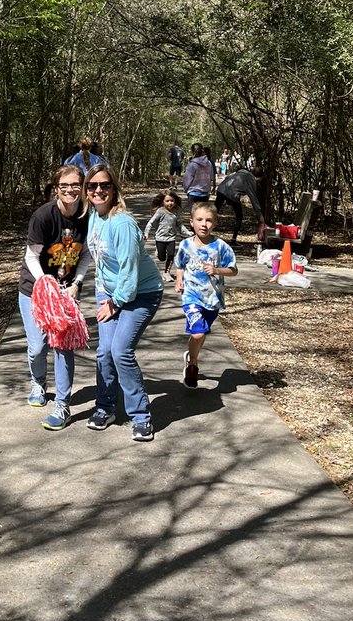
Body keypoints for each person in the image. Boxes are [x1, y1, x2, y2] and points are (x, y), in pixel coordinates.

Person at [84, 163, 163, 442]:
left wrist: (114, 303)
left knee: (120, 351)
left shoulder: (122, 223)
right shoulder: (94, 216)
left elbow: (130, 274)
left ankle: (140, 416)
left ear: (114, 189)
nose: (98, 190)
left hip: (141, 293)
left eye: (104, 185)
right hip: (110, 293)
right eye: (92, 186)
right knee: (104, 352)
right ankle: (106, 407)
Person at [18, 165, 91, 431]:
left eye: (76, 185)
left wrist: (77, 284)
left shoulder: (87, 215)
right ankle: (38, 382)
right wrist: (46, 283)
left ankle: (63, 405)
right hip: (35, 289)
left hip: (67, 290)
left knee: (63, 347)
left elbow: (85, 255)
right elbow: (31, 256)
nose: (71, 190)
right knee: (38, 347)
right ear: (56, 189)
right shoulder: (43, 216)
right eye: (65, 186)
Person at [175, 201, 238, 389]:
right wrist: (179, 280)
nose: (204, 224)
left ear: (215, 223)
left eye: (209, 220)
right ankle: (193, 365)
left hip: (212, 299)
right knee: (198, 333)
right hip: (192, 296)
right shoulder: (185, 245)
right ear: (191, 222)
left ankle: (191, 358)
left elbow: (233, 270)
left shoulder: (221, 247)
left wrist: (217, 270)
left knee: (200, 335)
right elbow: (180, 265)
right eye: (199, 220)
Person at [144, 190, 191, 281]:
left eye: (172, 201)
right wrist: (146, 233)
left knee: (170, 255)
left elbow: (179, 225)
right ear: (163, 202)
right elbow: (151, 223)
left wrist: (187, 232)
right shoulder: (160, 211)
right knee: (162, 258)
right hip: (160, 238)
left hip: (171, 238)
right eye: (167, 201)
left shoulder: (175, 213)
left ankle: (166, 273)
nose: (170, 203)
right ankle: (159, 251)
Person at [215, 166, 264, 247]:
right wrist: (260, 218)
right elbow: (253, 199)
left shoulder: (239, 173)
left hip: (221, 190)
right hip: (232, 194)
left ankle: (205, 234)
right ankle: (233, 239)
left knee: (213, 212)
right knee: (239, 216)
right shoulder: (250, 179)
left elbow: (228, 180)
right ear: (258, 177)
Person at [182, 142, 214, 210]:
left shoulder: (192, 164)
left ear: (193, 151)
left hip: (193, 193)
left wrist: (186, 189)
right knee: (202, 214)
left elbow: (187, 179)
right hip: (205, 193)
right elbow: (211, 177)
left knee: (194, 215)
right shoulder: (209, 163)